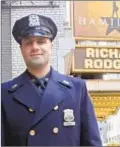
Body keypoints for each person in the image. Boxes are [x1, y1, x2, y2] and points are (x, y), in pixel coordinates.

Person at [1, 14, 102, 146]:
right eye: (28, 42)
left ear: (51, 46)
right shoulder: (4, 93)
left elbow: (92, 142)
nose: (35, 47)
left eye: (41, 41)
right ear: (21, 49)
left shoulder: (77, 89)